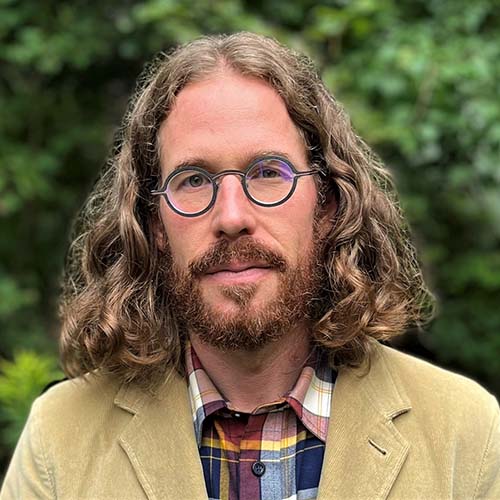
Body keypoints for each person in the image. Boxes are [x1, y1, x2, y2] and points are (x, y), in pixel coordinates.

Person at [1, 32, 499, 500]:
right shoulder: (59, 440)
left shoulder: (464, 431)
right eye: (193, 179)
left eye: (267, 173)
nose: (232, 217)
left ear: (327, 205)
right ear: (154, 225)